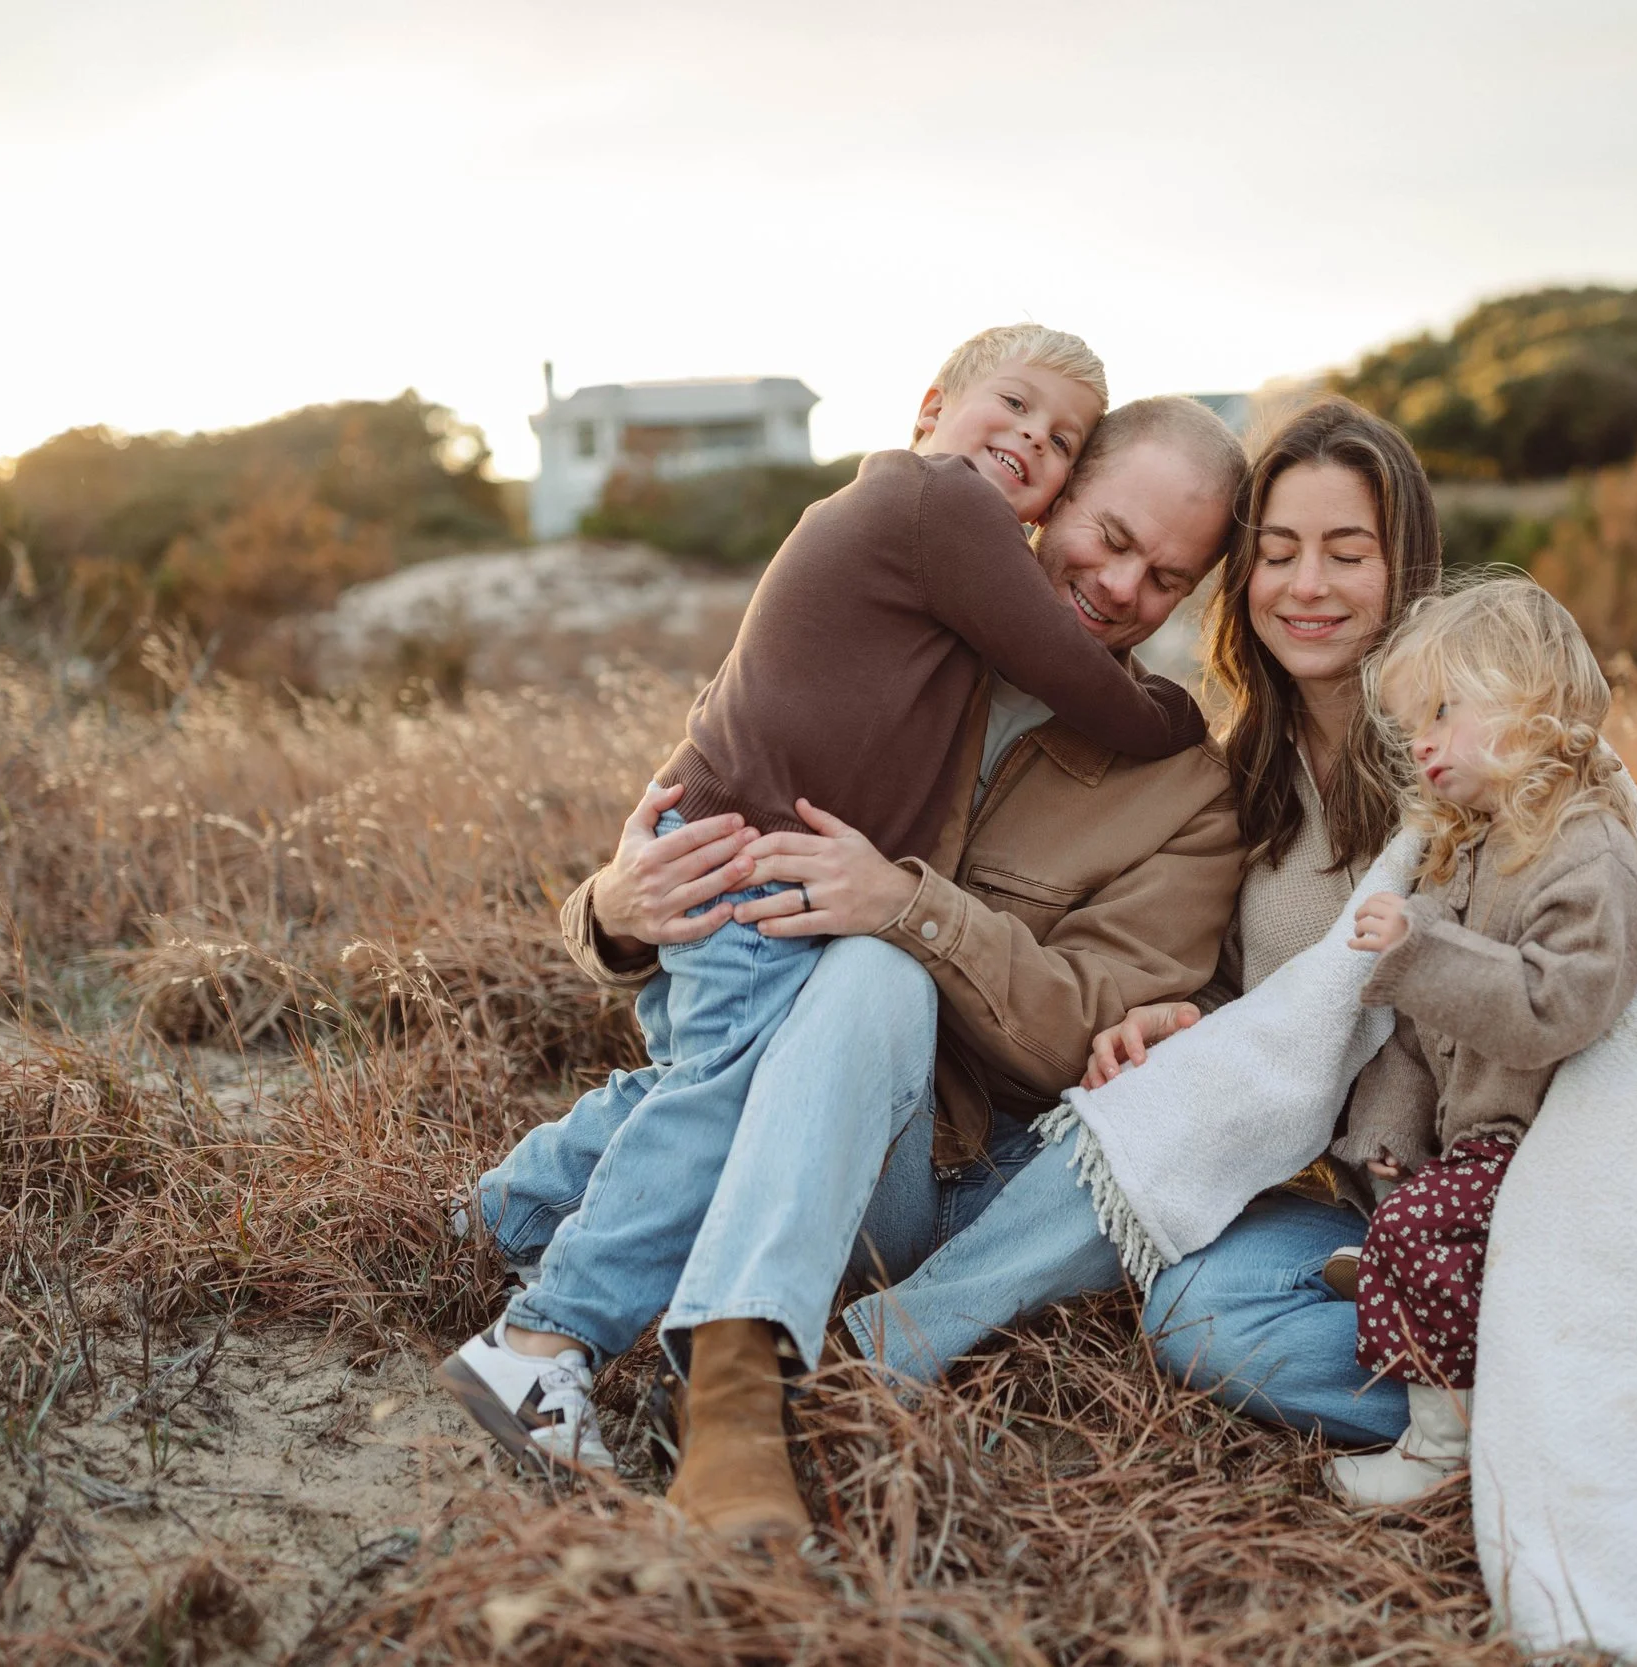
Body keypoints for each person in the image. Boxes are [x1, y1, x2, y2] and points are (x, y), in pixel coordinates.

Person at [842, 396, 1637, 1504]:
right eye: (1277, 552)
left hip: (1537, 1171)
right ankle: (1552, 1409)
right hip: (1352, 1205)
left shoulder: (1509, 747)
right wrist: (1184, 1020)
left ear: (1405, 569)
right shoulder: (1252, 781)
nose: (1307, 585)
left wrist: (1593, 1170)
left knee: (1593, 1310)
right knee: (1204, 1318)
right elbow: (1283, 1026)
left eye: (1348, 551)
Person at [447, 380, 1240, 1538]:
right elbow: (705, 811)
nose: (1124, 587)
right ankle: (685, 1360)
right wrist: (611, 909)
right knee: (784, 1018)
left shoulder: (1183, 785)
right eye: (1110, 538)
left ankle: (764, 1365)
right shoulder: (894, 623)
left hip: (939, 1159)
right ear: (1050, 499)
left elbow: (1093, 1024)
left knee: (879, 969)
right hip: (778, 1084)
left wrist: (906, 908)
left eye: (1167, 577)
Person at [1321, 577, 1637, 1504]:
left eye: (1441, 709)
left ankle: (1444, 1446)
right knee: (1409, 1215)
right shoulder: (1466, 849)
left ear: (1529, 700)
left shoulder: (1587, 850)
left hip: (1557, 1149)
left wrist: (1421, 948)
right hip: (1481, 1143)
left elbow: (1562, 1006)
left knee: (1422, 1227)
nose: (1420, 740)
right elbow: (1418, 1036)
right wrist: (1390, 1132)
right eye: (1408, 724)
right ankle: (1404, 1282)